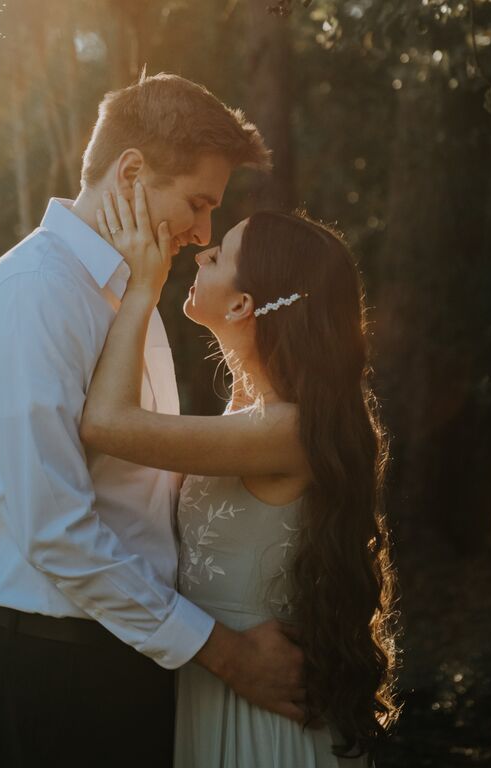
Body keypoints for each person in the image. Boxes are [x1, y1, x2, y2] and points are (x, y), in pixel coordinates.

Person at [0, 72, 306, 768]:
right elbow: (54, 531)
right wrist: (230, 657)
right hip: (61, 683)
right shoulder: (36, 295)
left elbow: (145, 493)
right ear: (132, 171)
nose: (204, 231)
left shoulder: (126, 291)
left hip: (138, 666)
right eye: (197, 203)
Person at [81, 183, 400, 766]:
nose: (200, 253)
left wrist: (141, 289)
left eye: (219, 255)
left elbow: (107, 424)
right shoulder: (250, 417)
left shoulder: (286, 431)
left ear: (240, 306)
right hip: (216, 688)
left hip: (261, 718)